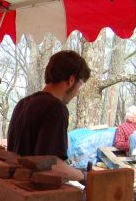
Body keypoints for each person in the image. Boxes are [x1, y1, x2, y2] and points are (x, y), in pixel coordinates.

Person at [7, 50, 90, 181]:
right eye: (80, 85)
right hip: (35, 192)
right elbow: (51, 165)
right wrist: (83, 176)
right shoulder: (56, 108)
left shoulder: (22, 104)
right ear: (71, 80)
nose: (77, 93)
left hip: (15, 186)